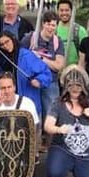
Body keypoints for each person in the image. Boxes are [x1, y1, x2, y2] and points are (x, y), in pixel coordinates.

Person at [44, 65, 89, 177]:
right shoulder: (58, 103)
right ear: (66, 86)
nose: (75, 89)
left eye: (78, 85)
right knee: (54, 172)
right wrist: (59, 129)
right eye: (71, 85)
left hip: (85, 154)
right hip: (63, 149)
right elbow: (47, 126)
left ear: (83, 87)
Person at [0, 71, 40, 177]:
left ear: (14, 87)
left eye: (9, 87)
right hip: (3, 152)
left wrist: (34, 152)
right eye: (3, 88)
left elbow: (35, 130)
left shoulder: (27, 103)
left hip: (23, 152)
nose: (7, 91)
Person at [0, 31, 52, 123]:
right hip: (7, 106)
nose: (5, 46)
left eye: (7, 42)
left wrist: (39, 81)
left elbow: (46, 73)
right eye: (2, 44)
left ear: (13, 39)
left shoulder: (27, 56)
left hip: (27, 104)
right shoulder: (1, 60)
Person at [22, 11, 65, 142]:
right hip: (31, 81)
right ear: (43, 24)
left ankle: (48, 143)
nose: (51, 28)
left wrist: (41, 58)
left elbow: (58, 66)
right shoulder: (29, 39)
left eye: (54, 25)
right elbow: (22, 58)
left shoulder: (57, 42)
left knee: (50, 113)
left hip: (50, 82)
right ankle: (30, 142)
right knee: (31, 112)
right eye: (48, 24)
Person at [56, 0, 87, 65]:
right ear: (57, 11)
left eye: (67, 10)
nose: (64, 13)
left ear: (72, 11)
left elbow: (87, 54)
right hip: (57, 68)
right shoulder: (53, 30)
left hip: (75, 69)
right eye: (61, 10)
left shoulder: (80, 30)